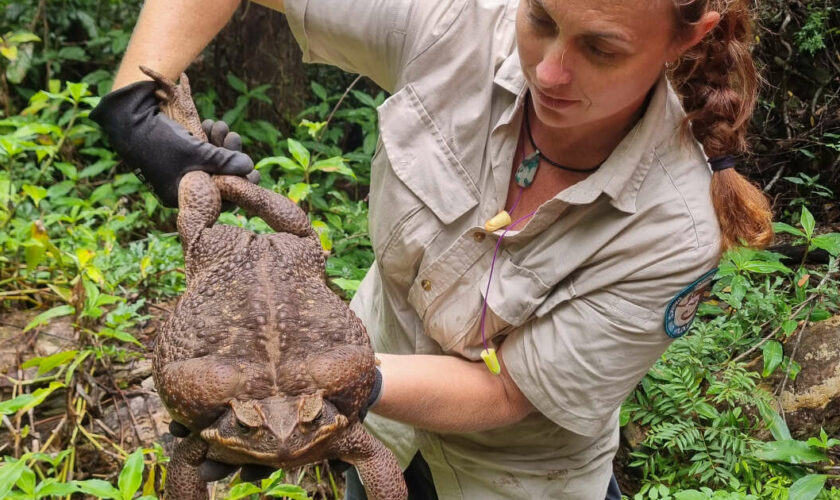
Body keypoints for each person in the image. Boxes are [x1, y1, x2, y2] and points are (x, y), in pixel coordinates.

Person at [91, 0, 774, 498]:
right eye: (539, 18)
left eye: (601, 49)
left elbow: (509, 393)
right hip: (375, 432)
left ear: (687, 38)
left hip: (513, 478)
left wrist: (328, 384)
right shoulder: (458, 25)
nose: (552, 71)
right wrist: (136, 107)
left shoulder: (675, 228)